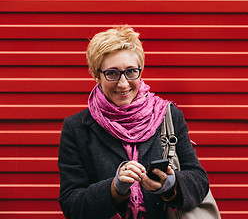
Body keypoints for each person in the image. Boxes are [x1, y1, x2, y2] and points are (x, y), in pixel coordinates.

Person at [58, 25, 209, 219]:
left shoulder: (167, 115)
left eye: (131, 71)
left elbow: (199, 181)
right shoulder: (77, 128)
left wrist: (170, 184)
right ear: (96, 75)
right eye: (112, 73)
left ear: (141, 70)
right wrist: (114, 188)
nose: (123, 83)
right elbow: (71, 204)